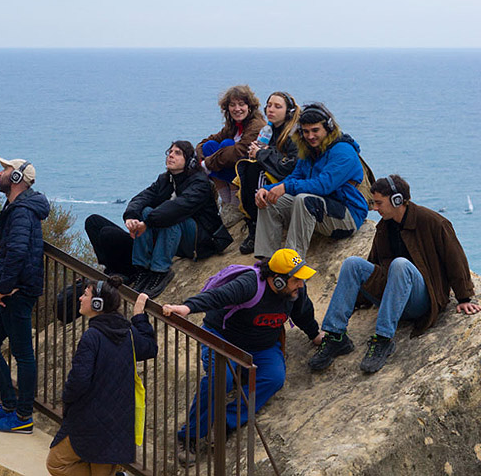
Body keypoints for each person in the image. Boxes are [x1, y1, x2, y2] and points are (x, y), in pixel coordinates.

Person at [162, 248, 322, 465]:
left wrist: (314, 335)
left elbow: (303, 312)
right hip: (222, 339)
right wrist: (188, 307)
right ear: (278, 281)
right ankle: (189, 436)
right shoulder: (251, 284)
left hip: (262, 347)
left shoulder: (295, 292)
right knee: (222, 379)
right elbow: (218, 296)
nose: (301, 285)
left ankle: (225, 422)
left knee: (274, 378)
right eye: (296, 280)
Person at [308, 175, 481, 374]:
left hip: (422, 300)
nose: (374, 208)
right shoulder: (384, 226)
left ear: (398, 200)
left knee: (400, 265)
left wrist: (464, 297)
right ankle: (336, 336)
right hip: (391, 296)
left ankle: (383, 339)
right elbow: (373, 265)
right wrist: (357, 300)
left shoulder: (433, 222)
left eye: (379, 203)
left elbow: (456, 259)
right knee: (352, 264)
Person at [86, 141, 229, 298]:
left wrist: (147, 223)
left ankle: (160, 271)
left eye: (177, 153)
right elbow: (143, 197)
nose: (171, 155)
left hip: (203, 241)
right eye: (170, 152)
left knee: (168, 216)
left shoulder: (199, 183)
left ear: (190, 161)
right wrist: (131, 216)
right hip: (177, 238)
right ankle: (142, 268)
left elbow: (178, 207)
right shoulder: (165, 179)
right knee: (146, 210)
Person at [46, 279, 157, 476]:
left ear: (98, 304)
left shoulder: (92, 336)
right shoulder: (128, 333)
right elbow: (149, 347)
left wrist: (67, 401)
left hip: (88, 423)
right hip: (119, 423)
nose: (80, 298)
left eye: (85, 295)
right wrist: (139, 317)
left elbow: (79, 380)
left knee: (57, 463)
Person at [0, 157, 49, 434]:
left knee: (23, 354)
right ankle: (9, 404)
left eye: (5, 170)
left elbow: (18, 252)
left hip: (15, 293)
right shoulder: (15, 206)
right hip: (10, 291)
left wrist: (5, 288)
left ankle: (23, 417)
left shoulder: (22, 212)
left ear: (17, 178)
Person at [254, 102, 368, 260]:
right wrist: (268, 189)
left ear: (328, 128)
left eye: (315, 130)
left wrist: (286, 187)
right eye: (306, 131)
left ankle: (292, 265)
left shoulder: (343, 151)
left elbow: (323, 186)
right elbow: (295, 177)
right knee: (271, 200)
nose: (310, 136)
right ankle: (266, 262)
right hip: (319, 210)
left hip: (347, 216)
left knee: (304, 199)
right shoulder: (309, 150)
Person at [235, 91, 300, 254]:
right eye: (269, 105)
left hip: (286, 181)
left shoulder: (293, 134)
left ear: (288, 112)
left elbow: (291, 166)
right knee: (246, 166)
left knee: (255, 172)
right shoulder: (269, 130)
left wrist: (262, 153)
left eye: (278, 107)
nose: (271, 110)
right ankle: (251, 223)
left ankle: (257, 224)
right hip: (273, 172)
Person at [196, 85, 266, 227]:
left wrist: (207, 163)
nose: (237, 109)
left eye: (241, 104)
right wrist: (200, 154)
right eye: (232, 105)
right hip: (233, 168)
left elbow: (239, 152)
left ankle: (235, 205)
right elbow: (207, 142)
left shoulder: (256, 125)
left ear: (250, 106)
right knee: (210, 146)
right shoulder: (233, 125)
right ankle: (226, 201)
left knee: (227, 145)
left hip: (249, 172)